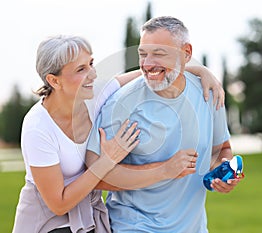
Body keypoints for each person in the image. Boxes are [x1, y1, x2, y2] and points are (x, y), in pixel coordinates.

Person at [12, 35, 225, 233]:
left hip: (89, 219)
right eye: (81, 69)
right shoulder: (37, 127)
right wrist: (108, 160)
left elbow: (151, 72)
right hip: (47, 222)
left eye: (91, 64)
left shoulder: (96, 93)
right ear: (54, 81)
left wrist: (203, 72)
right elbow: (59, 204)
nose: (92, 74)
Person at [86, 16, 242, 233]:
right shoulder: (120, 105)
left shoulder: (210, 94)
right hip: (134, 227)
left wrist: (223, 174)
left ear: (186, 53)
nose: (148, 64)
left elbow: (221, 150)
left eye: (158, 54)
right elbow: (95, 177)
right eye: (143, 54)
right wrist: (163, 170)